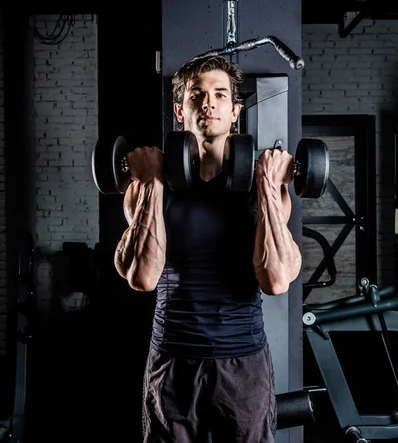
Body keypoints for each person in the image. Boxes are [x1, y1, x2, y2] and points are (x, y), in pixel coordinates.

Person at [114, 54, 302, 443]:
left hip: (244, 360)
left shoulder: (264, 187)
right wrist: (151, 185)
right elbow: (142, 279)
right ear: (180, 112)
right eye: (196, 96)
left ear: (235, 112)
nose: (208, 103)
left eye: (219, 95)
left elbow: (278, 280)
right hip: (173, 358)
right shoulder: (148, 186)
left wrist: (267, 183)